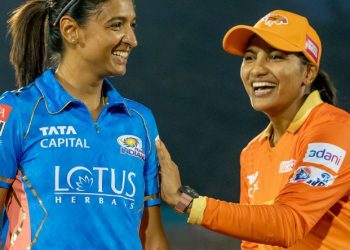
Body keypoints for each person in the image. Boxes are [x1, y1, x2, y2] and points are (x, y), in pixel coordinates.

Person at [157, 9, 350, 250]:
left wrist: (187, 203)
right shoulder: (252, 153)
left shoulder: (336, 131)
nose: (257, 69)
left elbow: (289, 223)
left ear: (308, 73)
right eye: (249, 57)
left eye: (276, 57)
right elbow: (253, 243)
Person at [0, 0, 169, 249]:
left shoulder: (139, 121)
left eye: (132, 25)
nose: (132, 39)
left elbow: (152, 238)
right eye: (116, 25)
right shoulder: (17, 112)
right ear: (71, 31)